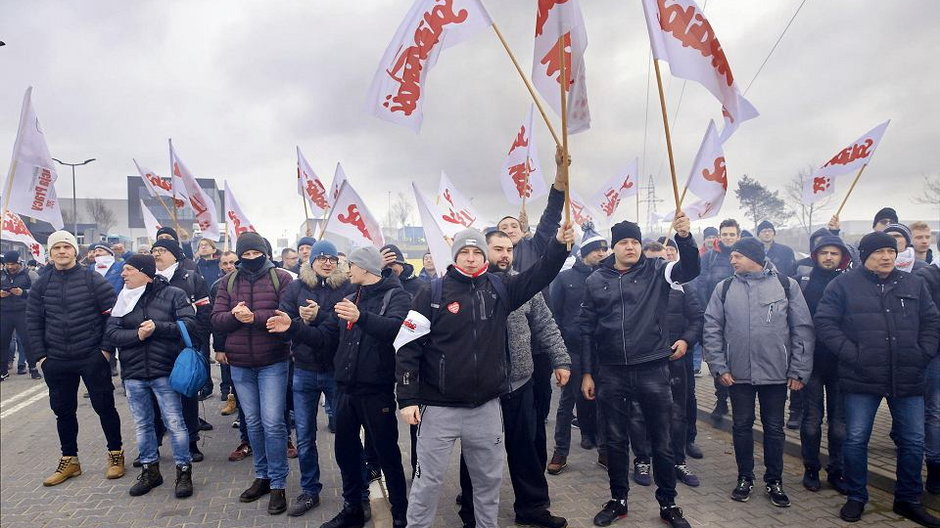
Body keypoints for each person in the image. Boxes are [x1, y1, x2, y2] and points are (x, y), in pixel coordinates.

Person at [396, 224, 573, 528]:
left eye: (476, 252)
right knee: (428, 484)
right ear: (454, 256)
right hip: (439, 408)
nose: (471, 258)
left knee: (488, 484)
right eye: (464, 252)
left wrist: (558, 244)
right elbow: (406, 347)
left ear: (484, 258)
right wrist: (407, 398)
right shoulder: (431, 293)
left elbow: (541, 274)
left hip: (486, 408)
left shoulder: (501, 289)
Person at [269, 245, 411, 527]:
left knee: (386, 453)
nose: (346, 270)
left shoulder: (396, 295)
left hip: (376, 389)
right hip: (345, 388)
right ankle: (353, 509)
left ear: (364, 268)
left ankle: (400, 515)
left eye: (351, 265)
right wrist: (293, 327)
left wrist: (361, 317)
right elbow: (325, 336)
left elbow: (395, 330)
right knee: (345, 451)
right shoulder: (350, 296)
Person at [579, 215, 700, 528]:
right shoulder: (595, 279)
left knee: (662, 439)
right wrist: (588, 373)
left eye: (634, 241)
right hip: (611, 372)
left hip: (652, 369)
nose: (630, 247)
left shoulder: (658, 270)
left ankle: (669, 503)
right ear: (614, 247)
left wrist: (685, 239)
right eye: (623, 242)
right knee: (616, 441)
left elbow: (691, 269)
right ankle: (618, 500)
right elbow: (586, 330)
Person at [815, 232, 940, 526]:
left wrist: (923, 352)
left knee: (913, 440)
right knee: (856, 439)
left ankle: (908, 499)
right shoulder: (843, 285)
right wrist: (852, 353)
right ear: (864, 255)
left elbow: (932, 320)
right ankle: (856, 496)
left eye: (891, 251)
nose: (886, 256)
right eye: (879, 251)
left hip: (908, 376)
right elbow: (825, 322)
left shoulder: (913, 283)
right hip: (861, 377)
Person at [456, 229, 571, 528]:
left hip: (519, 383)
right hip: (480, 390)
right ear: (483, 251)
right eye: (498, 249)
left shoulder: (522, 285)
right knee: (476, 456)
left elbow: (546, 324)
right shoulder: (466, 288)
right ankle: (471, 513)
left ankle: (532, 508)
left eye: (509, 249)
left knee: (526, 450)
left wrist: (561, 359)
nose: (505, 255)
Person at [703, 237, 814, 508]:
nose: (732, 260)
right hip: (737, 374)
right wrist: (719, 367)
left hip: (776, 374)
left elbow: (802, 330)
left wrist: (799, 370)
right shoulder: (725, 287)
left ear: (753, 257)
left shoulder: (787, 285)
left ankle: (774, 480)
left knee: (774, 429)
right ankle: (745, 478)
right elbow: (712, 328)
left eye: (737, 255)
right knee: (741, 426)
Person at [26, 230, 124, 486]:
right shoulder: (41, 284)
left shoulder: (93, 280)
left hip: (91, 355)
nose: (61, 252)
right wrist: (41, 357)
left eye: (66, 247)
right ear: (50, 253)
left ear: (75, 251)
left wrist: (104, 350)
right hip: (56, 359)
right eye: (56, 248)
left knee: (104, 406)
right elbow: (33, 322)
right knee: (63, 411)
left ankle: (115, 454)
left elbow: (112, 315)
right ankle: (70, 459)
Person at [497, 147, 571, 470]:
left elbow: (553, 214)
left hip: (537, 350)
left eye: (513, 227)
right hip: (499, 360)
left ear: (522, 231)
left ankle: (534, 470)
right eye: (502, 230)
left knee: (536, 414)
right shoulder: (490, 269)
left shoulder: (536, 248)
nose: (509, 232)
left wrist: (559, 174)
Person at [211, 231, 294, 515]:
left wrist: (254, 317)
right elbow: (216, 319)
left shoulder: (281, 278)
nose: (250, 259)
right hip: (240, 363)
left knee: (273, 423)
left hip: (273, 360)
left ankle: (279, 484)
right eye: (245, 255)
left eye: (254, 254)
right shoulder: (227, 282)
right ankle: (263, 476)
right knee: (254, 423)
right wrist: (234, 316)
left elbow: (285, 313)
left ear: (265, 253)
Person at [105, 254, 197, 498]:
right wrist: (138, 335)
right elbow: (112, 334)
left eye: (128, 269)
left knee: (175, 423)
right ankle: (150, 470)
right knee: (143, 425)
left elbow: (189, 324)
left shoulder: (173, 294)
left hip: (164, 370)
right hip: (134, 373)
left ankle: (183, 471)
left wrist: (158, 327)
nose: (123, 274)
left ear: (144, 272)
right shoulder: (122, 298)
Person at [275, 239, 353, 517]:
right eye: (321, 258)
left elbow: (344, 325)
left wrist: (318, 317)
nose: (327, 262)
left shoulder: (347, 287)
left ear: (338, 262)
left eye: (331, 258)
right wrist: (300, 319)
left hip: (336, 370)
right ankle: (310, 490)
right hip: (305, 370)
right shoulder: (296, 287)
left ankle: (353, 493)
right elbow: (282, 319)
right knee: (305, 436)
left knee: (346, 435)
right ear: (311, 261)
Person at [794, 234, 851, 494]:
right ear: (815, 255)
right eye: (824, 252)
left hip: (841, 363)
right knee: (811, 420)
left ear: (842, 257)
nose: (829, 257)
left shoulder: (849, 282)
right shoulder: (802, 282)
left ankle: (836, 470)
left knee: (839, 424)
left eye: (834, 253)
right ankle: (811, 468)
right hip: (811, 361)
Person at [548, 223, 607, 474]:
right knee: (566, 402)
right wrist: (558, 355)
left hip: (602, 350)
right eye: (597, 250)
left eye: (605, 249)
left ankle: (605, 451)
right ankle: (560, 453)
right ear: (585, 253)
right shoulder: (564, 278)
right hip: (572, 349)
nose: (602, 254)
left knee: (604, 401)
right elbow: (554, 316)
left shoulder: (608, 277)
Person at [150, 239, 212, 463]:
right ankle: (153, 443)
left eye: (162, 251)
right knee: (153, 398)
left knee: (187, 395)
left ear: (175, 255)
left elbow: (205, 313)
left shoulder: (191, 278)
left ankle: (191, 442)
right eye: (154, 250)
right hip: (154, 349)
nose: (157, 254)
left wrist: (197, 340)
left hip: (183, 347)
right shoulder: (146, 278)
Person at [696, 218, 740, 427]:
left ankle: (740, 402)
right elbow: (701, 285)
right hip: (716, 318)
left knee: (740, 362)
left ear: (738, 236)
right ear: (719, 237)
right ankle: (721, 401)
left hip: (741, 319)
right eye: (725, 234)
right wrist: (708, 312)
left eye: (732, 234)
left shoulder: (745, 256)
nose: (728, 238)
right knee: (718, 361)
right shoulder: (710, 257)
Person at [915, 238, 940, 495]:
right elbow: (927, 319)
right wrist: (926, 351)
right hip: (935, 356)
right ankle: (935, 467)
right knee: (935, 412)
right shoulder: (928, 276)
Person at [1, 250, 40, 380]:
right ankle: (3, 370)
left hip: (23, 312)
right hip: (5, 313)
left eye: (13, 264)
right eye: (7, 264)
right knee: (3, 342)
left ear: (19, 262)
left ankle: (33, 368)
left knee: (27, 341)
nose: (10, 267)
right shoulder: (1, 275)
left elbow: (39, 291)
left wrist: (23, 292)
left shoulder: (30, 274)